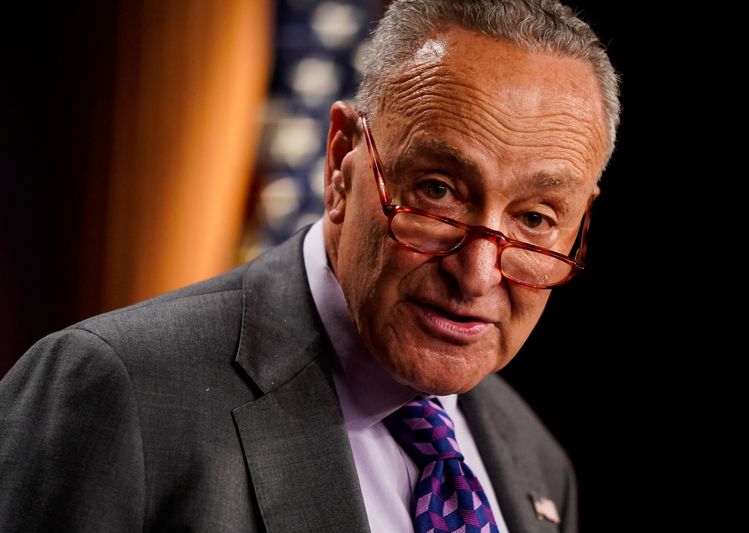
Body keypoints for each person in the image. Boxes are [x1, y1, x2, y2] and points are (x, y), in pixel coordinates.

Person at [0, 0, 619, 531]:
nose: (479, 273)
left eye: (535, 219)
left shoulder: (538, 464)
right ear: (342, 161)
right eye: (438, 190)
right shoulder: (116, 394)